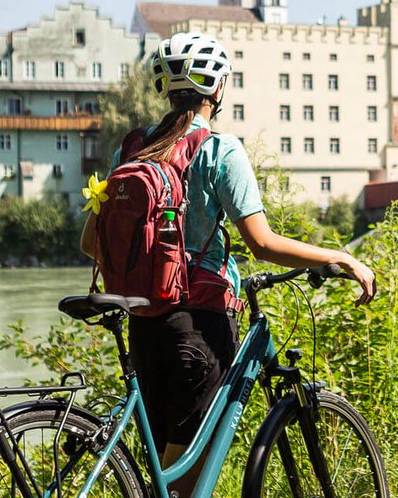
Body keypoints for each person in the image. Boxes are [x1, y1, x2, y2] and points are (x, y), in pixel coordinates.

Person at [80, 31, 377, 494]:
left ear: (164, 89)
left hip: (143, 324)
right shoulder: (220, 150)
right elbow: (261, 243)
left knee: (160, 476)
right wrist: (338, 256)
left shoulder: (131, 150)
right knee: (185, 487)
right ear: (217, 90)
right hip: (200, 326)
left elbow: (90, 244)